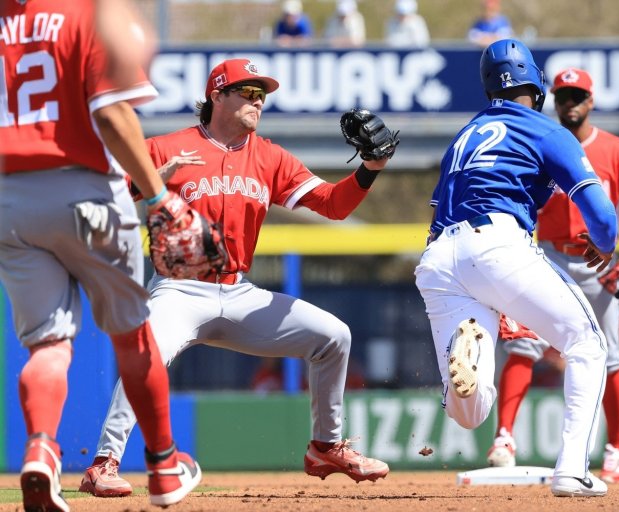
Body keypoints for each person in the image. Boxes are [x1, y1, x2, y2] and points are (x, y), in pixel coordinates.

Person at [78, 58, 392, 497]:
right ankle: (103, 464)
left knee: (333, 336)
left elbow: (332, 205)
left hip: (239, 291)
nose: (258, 101)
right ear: (217, 95)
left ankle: (325, 446)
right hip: (179, 290)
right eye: (247, 92)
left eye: (262, 95)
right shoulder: (165, 148)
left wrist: (369, 170)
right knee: (148, 354)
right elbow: (101, 192)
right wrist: (146, 184)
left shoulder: (269, 156)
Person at [0, 0, 201, 510]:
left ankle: (42, 448)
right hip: (85, 188)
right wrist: (159, 198)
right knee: (133, 335)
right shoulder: (84, 10)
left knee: (48, 346)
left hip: (9, 199)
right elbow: (112, 113)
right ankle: (162, 467)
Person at [415, 39, 618, 498]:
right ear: (537, 83)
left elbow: (437, 209)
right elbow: (602, 216)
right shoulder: (545, 130)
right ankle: (572, 470)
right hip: (498, 244)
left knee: (470, 413)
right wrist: (606, 245)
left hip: (439, 258)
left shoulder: (466, 134)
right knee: (586, 344)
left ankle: (464, 369)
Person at [488, 68, 619, 486]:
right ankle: (504, 439)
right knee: (524, 344)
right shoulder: (540, 142)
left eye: (578, 95)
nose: (570, 103)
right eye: (563, 95)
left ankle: (616, 451)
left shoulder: (617, 150)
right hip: (546, 257)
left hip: (597, 263)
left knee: (611, 355)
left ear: (591, 99)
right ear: (554, 99)